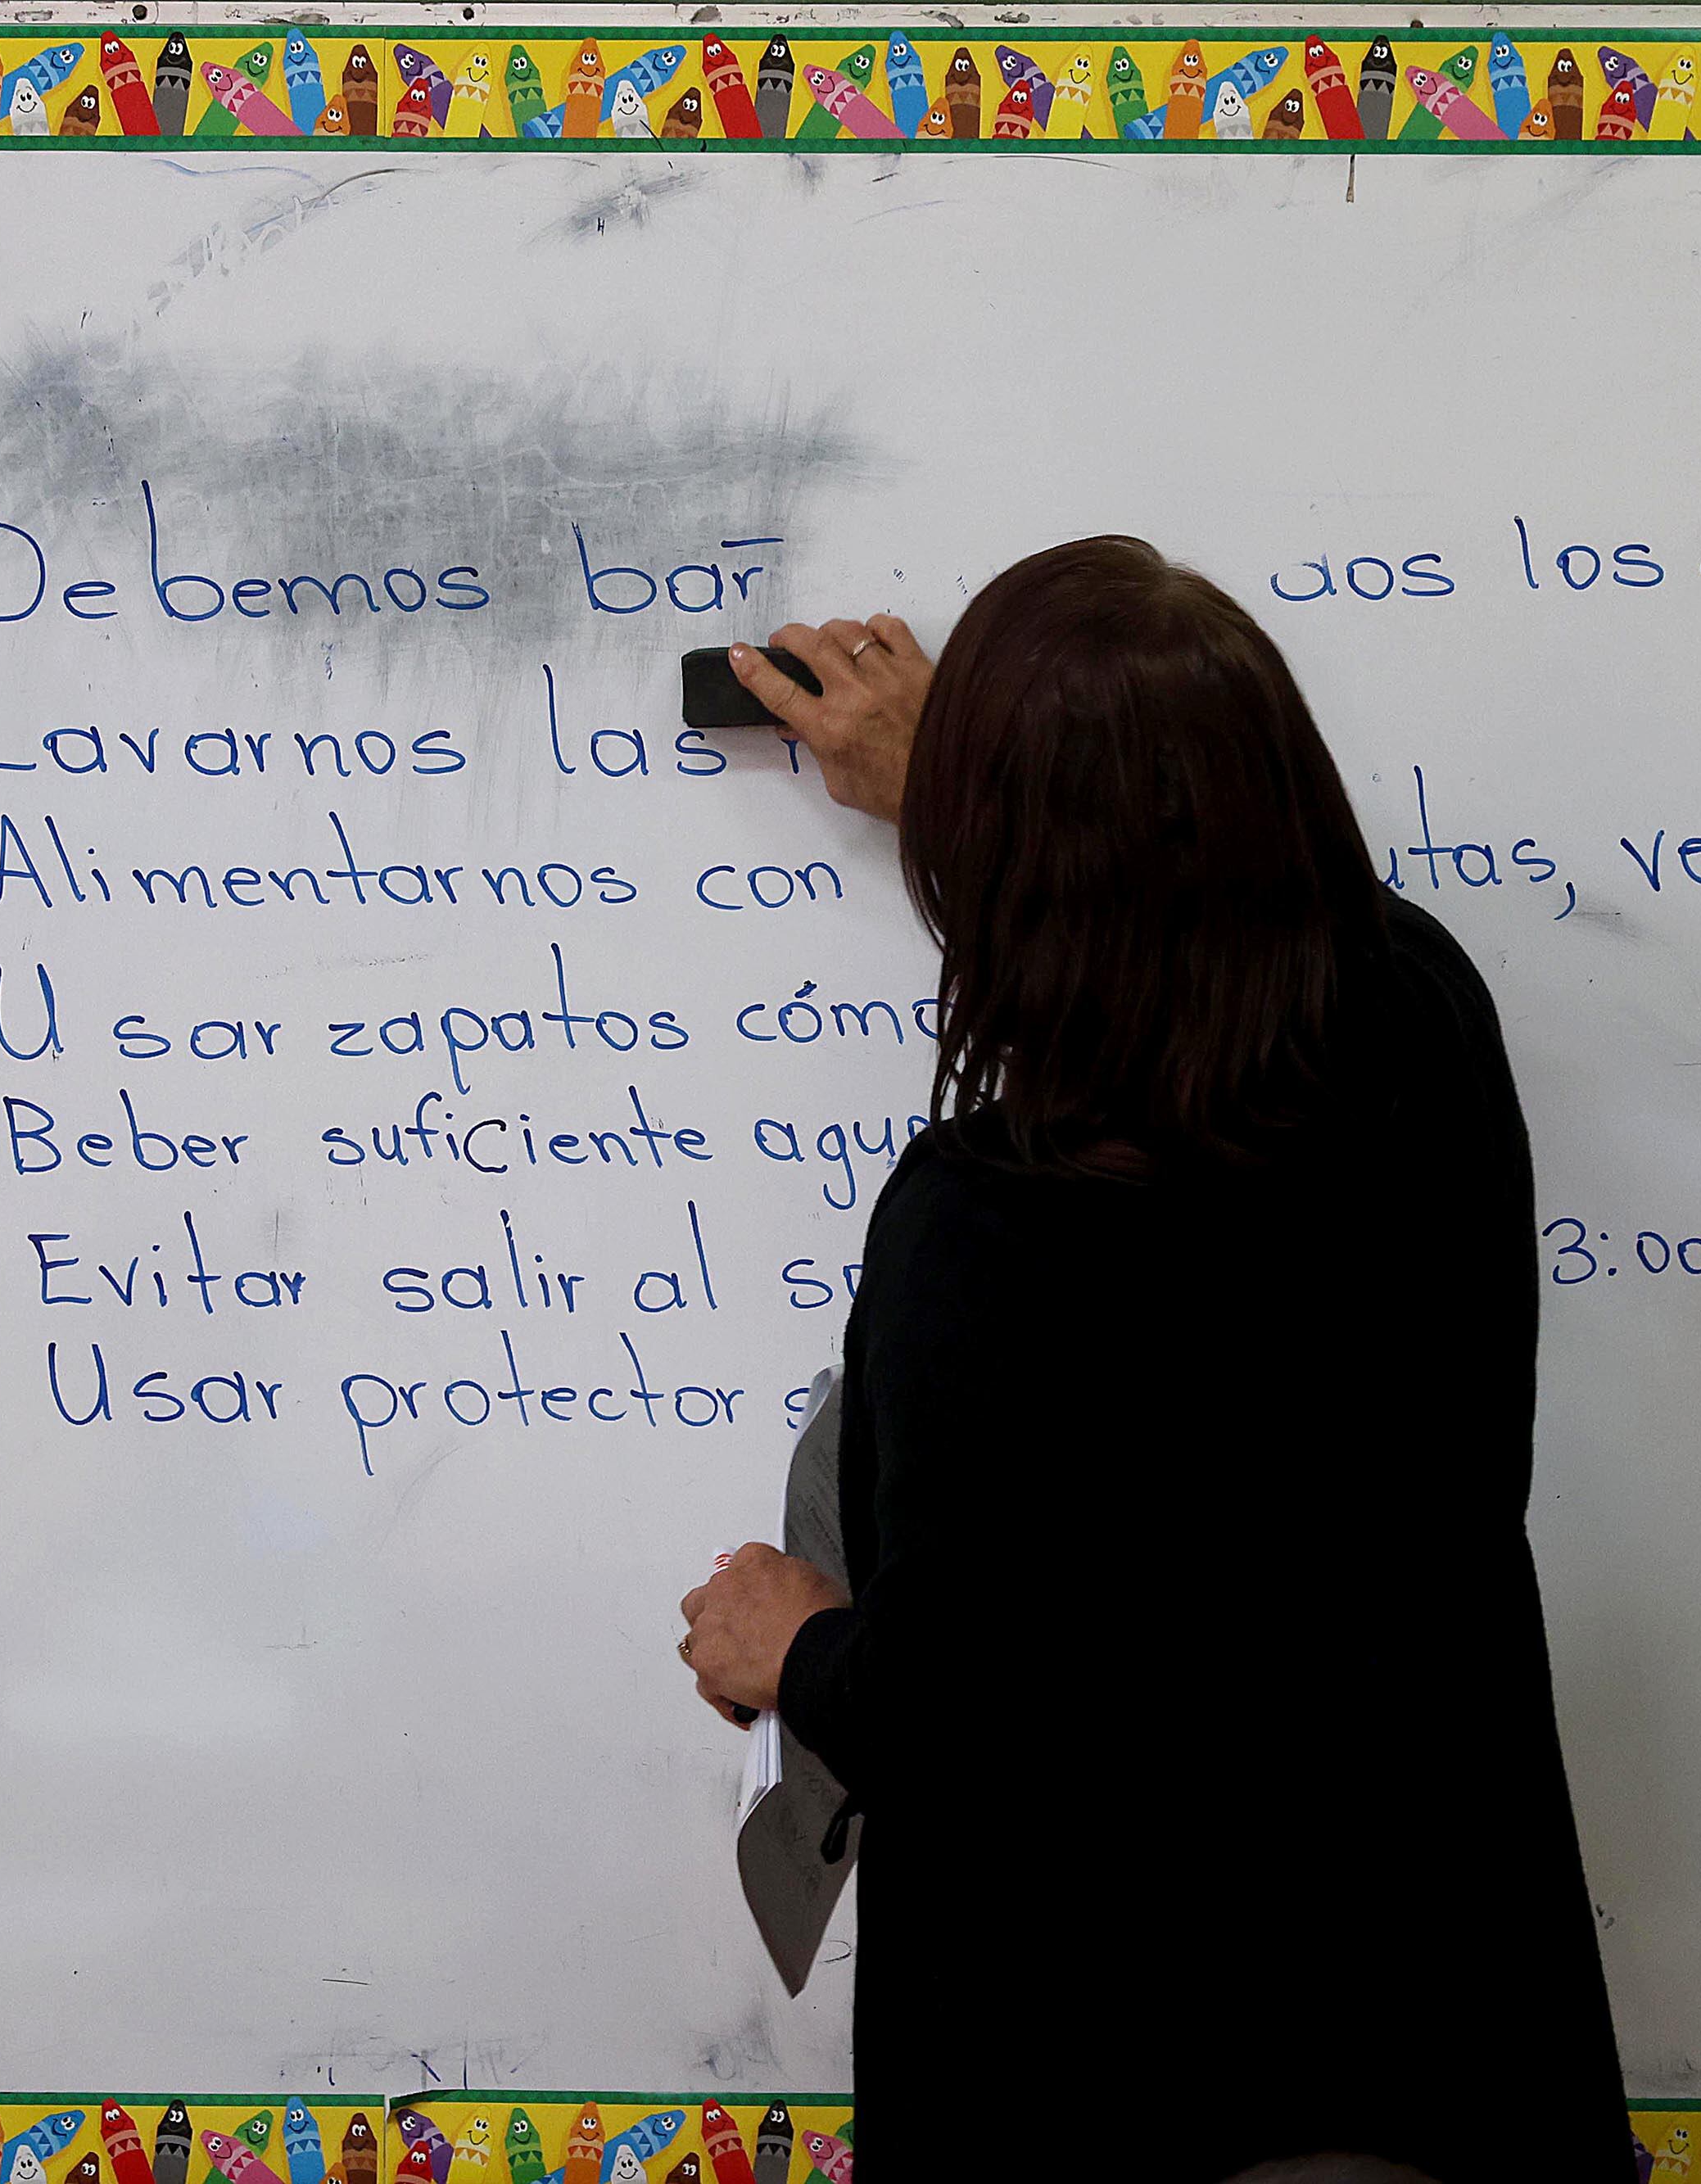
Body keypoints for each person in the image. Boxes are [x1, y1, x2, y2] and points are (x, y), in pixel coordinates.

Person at [675, 539, 1633, 2184]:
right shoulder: (1419, 1028)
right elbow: (1242, 914)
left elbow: (984, 1718)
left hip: (1120, 2065)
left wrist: (799, 1643)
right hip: (1444, 2023)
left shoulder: (990, 1228)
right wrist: (1012, 794)